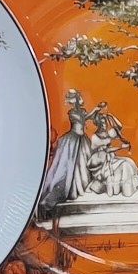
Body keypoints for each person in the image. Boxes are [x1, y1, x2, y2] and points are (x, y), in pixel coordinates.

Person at [34, 89, 95, 219]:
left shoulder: (82, 111)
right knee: (67, 168)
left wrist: (97, 110)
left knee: (82, 165)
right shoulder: (72, 112)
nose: (73, 100)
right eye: (72, 98)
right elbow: (82, 120)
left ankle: (80, 187)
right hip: (72, 139)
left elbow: (88, 117)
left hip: (81, 139)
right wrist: (95, 110)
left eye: (75, 97)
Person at [88, 102, 138, 197]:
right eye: (102, 123)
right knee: (125, 164)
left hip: (110, 158)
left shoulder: (107, 133)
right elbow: (106, 151)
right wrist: (120, 147)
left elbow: (119, 126)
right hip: (101, 163)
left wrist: (110, 115)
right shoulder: (95, 137)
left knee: (129, 160)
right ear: (98, 124)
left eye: (105, 123)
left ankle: (133, 186)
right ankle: (125, 189)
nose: (104, 125)